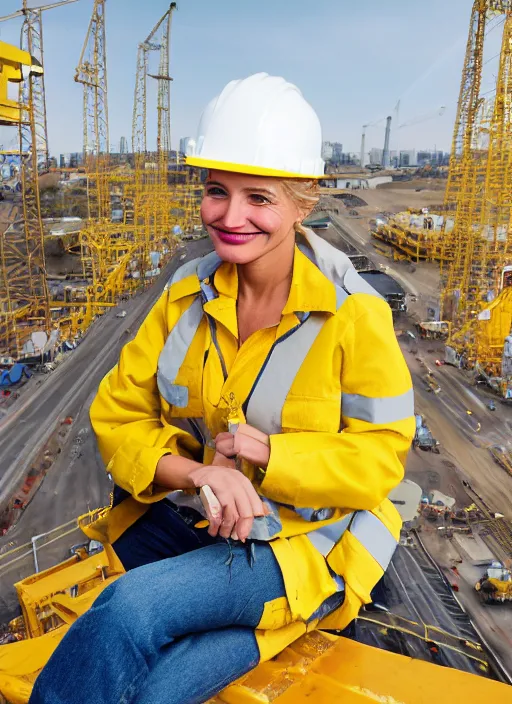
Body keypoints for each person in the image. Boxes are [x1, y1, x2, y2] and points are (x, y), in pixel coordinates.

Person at [29, 73, 415, 704]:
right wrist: (198, 475)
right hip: (191, 526)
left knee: (129, 611)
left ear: (302, 202)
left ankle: (293, 607)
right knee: (154, 690)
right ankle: (272, 626)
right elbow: (117, 418)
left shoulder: (354, 316)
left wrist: (271, 456)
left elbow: (380, 459)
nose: (230, 218)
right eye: (217, 192)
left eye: (259, 198)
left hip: (300, 545)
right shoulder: (184, 297)